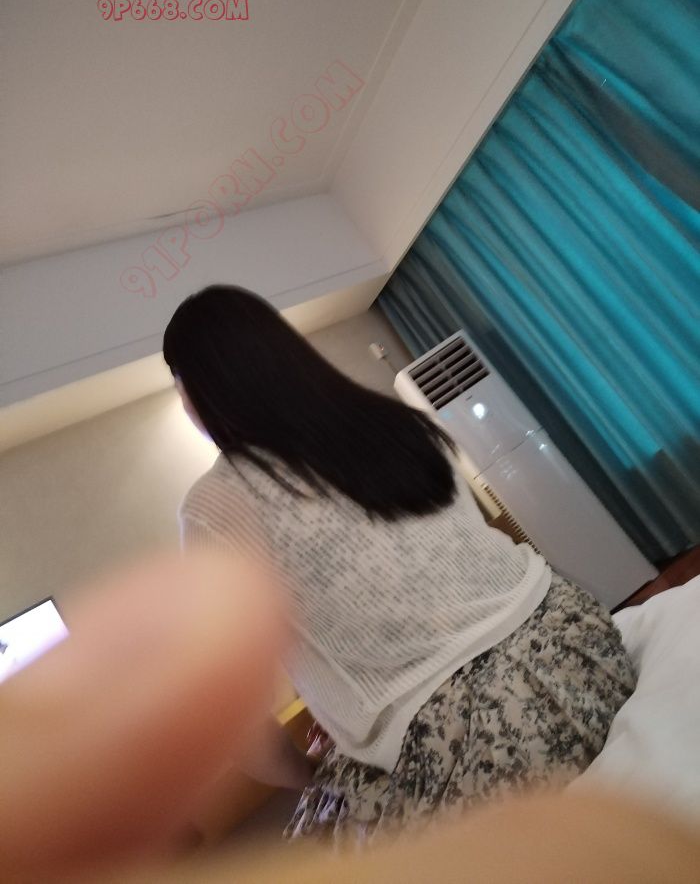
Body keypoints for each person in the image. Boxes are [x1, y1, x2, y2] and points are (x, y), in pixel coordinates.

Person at [163, 284, 637, 843]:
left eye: (180, 387)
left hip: (483, 735)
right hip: (579, 646)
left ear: (201, 389)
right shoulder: (396, 421)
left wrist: (310, 776)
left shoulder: (217, 506)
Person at [1, 547, 697, 883]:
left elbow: (258, 743)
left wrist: (313, 774)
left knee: (312, 820)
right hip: (562, 638)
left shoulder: (215, 517)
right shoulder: (388, 431)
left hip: (467, 719)